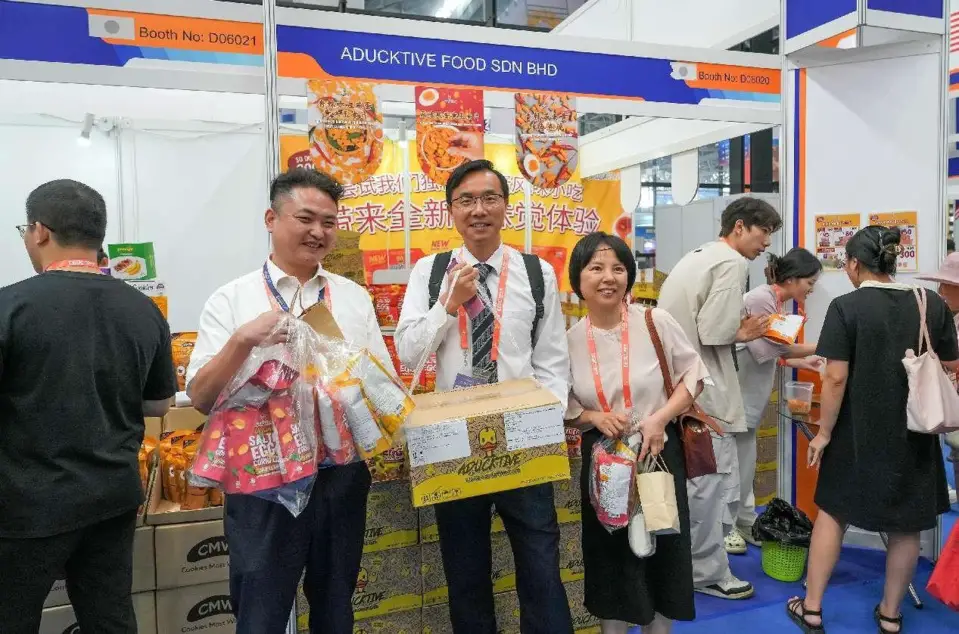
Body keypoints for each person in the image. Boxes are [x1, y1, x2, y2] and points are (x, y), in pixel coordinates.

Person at [186, 168, 393, 634]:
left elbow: (381, 384)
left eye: (329, 222)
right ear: (271, 219)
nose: (318, 232)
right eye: (305, 218)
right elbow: (201, 398)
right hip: (262, 482)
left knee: (336, 604)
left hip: (340, 477)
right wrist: (243, 340)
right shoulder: (232, 299)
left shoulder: (353, 298)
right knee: (260, 609)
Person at [395, 159, 573, 633]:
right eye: (466, 200)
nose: (479, 210)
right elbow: (409, 354)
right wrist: (445, 306)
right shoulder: (430, 272)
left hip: (523, 437)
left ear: (505, 207)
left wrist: (542, 421)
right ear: (450, 210)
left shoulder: (537, 273)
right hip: (453, 439)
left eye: (489, 198)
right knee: (466, 570)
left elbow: (552, 360)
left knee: (541, 564)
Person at [0, 180, 176, 633]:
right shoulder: (142, 308)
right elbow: (159, 403)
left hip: (27, 502)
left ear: (39, 231)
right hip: (113, 495)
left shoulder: (11, 306)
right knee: (109, 616)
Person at [787, 226, 958, 634]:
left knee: (832, 514)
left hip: (854, 431)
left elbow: (834, 379)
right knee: (906, 526)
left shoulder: (847, 307)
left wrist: (824, 432)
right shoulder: (930, 302)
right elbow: (951, 364)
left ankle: (811, 609)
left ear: (853, 264)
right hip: (913, 433)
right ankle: (891, 615)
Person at [565, 233, 708, 634]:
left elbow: (693, 377)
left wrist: (660, 418)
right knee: (610, 551)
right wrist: (593, 415)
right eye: (596, 268)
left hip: (657, 451)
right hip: (605, 461)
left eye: (618, 268)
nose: (608, 277)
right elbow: (565, 409)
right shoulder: (571, 341)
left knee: (661, 547)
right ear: (579, 280)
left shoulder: (654, 321)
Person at [656, 196, 782, 600]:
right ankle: (706, 572)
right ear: (741, 227)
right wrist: (745, 332)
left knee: (700, 485)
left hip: (682, 385)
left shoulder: (698, 255)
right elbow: (714, 330)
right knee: (712, 487)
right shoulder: (731, 263)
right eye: (764, 233)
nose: (766, 244)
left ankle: (690, 565)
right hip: (705, 391)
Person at [728, 248, 824, 553]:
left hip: (749, 396)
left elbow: (772, 351)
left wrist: (803, 361)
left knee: (745, 462)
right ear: (793, 279)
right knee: (732, 464)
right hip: (737, 396)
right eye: (810, 281)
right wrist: (827, 345)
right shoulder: (760, 299)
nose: (811, 288)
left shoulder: (773, 301)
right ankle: (725, 526)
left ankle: (742, 521)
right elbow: (775, 348)